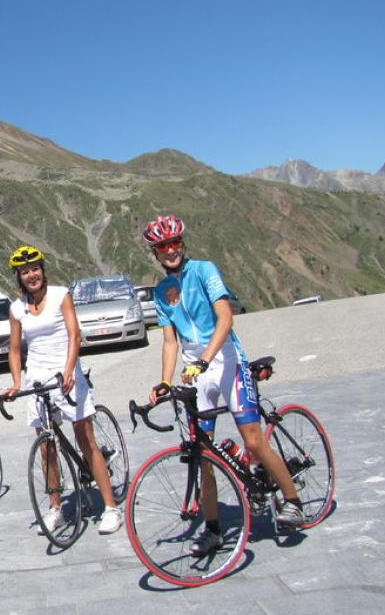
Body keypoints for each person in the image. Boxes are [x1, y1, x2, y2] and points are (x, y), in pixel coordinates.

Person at [142, 214, 304, 556]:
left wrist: (206, 359)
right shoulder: (160, 291)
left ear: (182, 245)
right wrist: (163, 381)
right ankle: (214, 529)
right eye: (162, 247)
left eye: (174, 244)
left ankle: (292, 500)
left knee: (254, 441)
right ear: (155, 253)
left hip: (226, 359)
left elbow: (226, 316)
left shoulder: (204, 270)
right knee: (203, 454)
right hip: (194, 370)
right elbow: (169, 341)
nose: (170, 251)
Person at [1, 246, 123, 535]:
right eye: (25, 271)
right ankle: (55, 508)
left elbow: (74, 334)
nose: (31, 275)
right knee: (47, 447)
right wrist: (17, 383)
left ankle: (110, 508)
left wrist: (69, 371)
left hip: (65, 373)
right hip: (38, 378)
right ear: (19, 277)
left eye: (35, 268)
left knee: (85, 439)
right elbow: (15, 349)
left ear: (42, 270)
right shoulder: (17, 309)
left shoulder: (60, 295)